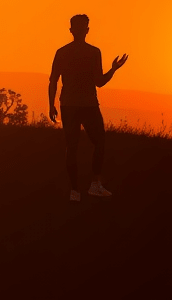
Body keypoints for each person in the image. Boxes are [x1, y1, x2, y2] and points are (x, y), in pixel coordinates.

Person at [48, 14, 129, 201]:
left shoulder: (69, 52)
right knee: (90, 144)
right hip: (81, 105)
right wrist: (114, 69)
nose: (82, 30)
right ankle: (86, 187)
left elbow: (55, 80)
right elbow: (98, 82)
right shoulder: (91, 52)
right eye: (80, 27)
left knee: (76, 146)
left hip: (75, 104)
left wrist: (52, 104)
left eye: (83, 27)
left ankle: (78, 190)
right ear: (75, 30)